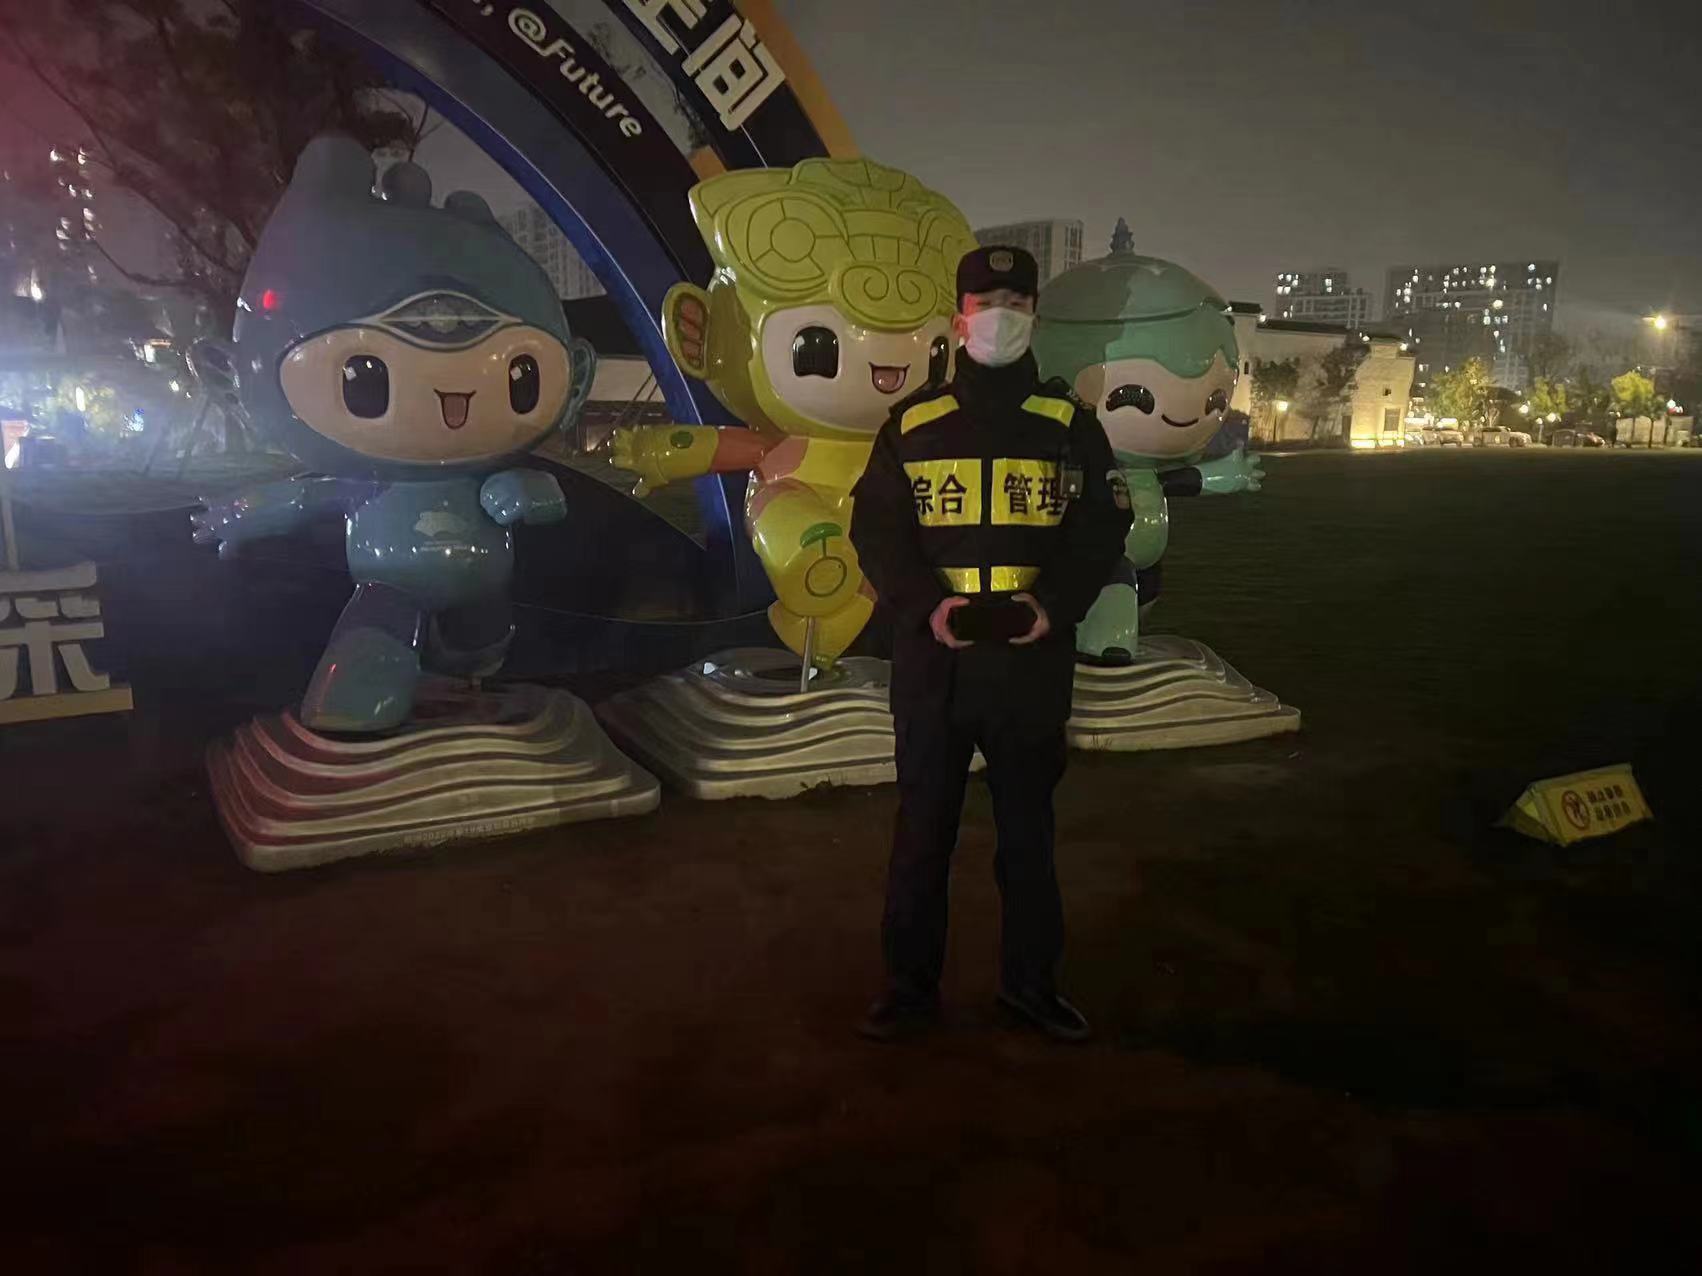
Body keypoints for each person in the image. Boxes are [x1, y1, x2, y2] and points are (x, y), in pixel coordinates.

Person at [849, 245, 1132, 1043]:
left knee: (1028, 840)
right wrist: (925, 608)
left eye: (1016, 300)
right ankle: (909, 991)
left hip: (1029, 668)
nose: (1000, 315)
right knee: (921, 838)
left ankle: (1031, 987)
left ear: (1034, 314)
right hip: (934, 668)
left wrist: (1054, 607)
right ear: (958, 319)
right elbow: (876, 532)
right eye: (986, 302)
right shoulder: (912, 425)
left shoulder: (1068, 426)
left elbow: (1101, 528)